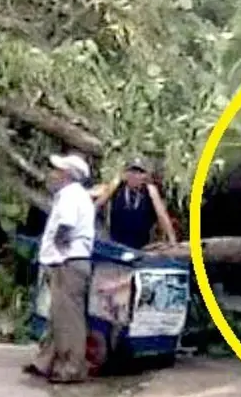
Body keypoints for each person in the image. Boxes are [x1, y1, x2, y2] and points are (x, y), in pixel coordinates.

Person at [27, 152, 97, 384]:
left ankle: (72, 367)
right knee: (58, 315)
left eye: (57, 170)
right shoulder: (77, 196)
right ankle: (46, 361)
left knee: (68, 318)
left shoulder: (69, 196)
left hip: (68, 262)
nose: (53, 174)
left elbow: (66, 224)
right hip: (70, 262)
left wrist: (59, 246)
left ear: (67, 175)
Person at [92, 157, 178, 250]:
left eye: (140, 172)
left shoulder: (150, 191)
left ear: (145, 176)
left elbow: (162, 215)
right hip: (116, 245)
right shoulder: (117, 187)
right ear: (125, 174)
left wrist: (172, 240)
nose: (135, 175)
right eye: (132, 171)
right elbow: (97, 204)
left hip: (141, 247)